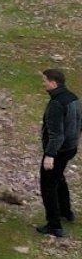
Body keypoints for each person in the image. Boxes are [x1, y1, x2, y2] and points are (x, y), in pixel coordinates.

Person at [37, 68, 81, 238]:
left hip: (58, 150)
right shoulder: (73, 98)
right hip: (71, 148)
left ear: (53, 83)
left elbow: (56, 134)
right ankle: (66, 211)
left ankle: (54, 225)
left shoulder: (56, 104)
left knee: (48, 185)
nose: (43, 83)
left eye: (45, 80)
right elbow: (79, 122)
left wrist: (50, 155)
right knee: (59, 178)